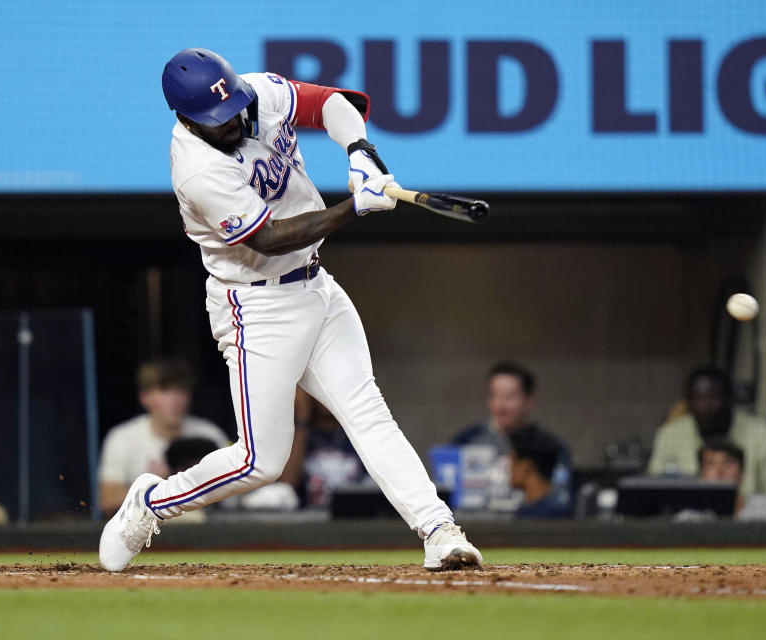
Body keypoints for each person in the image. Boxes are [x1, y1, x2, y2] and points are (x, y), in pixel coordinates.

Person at [98, 48, 481, 572]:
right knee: (261, 463)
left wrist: (360, 151)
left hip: (316, 287)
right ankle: (151, 504)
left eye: (232, 106)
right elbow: (272, 238)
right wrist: (353, 209)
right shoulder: (196, 168)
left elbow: (330, 103)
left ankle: (439, 530)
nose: (232, 120)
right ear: (185, 117)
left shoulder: (253, 93)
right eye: (217, 118)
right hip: (256, 304)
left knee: (366, 410)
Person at [97, 358, 229, 515]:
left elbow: (237, 492)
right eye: (165, 390)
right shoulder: (122, 438)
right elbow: (106, 500)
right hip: (147, 534)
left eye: (181, 390)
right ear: (144, 397)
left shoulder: (210, 434)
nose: (174, 400)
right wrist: (156, 486)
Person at [647, 365, 766, 497]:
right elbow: (652, 494)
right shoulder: (670, 435)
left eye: (712, 398)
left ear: (729, 399)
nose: (704, 407)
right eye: (697, 399)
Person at [450, 361, 572, 500]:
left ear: (528, 401)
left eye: (509, 397)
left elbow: (561, 498)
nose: (500, 406)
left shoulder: (549, 448)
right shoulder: (465, 442)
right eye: (494, 396)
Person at [695, 438, 766, 521]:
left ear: (742, 472)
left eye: (728, 463)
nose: (720, 471)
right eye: (711, 464)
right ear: (701, 474)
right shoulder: (689, 517)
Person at [508, 425, 572, 518]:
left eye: (512, 463)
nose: (508, 469)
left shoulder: (529, 517)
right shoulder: (565, 511)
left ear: (526, 467)